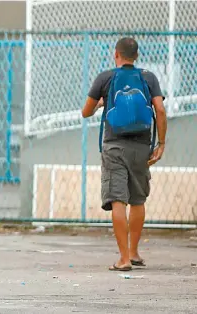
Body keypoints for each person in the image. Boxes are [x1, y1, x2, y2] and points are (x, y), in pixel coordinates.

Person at [81, 37, 167, 272]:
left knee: (118, 199)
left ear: (116, 54)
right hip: (141, 147)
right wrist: (161, 143)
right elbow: (159, 109)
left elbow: (85, 112)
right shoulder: (148, 77)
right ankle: (134, 252)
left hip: (114, 147)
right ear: (136, 56)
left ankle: (123, 259)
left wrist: (99, 104)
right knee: (138, 199)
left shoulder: (105, 78)